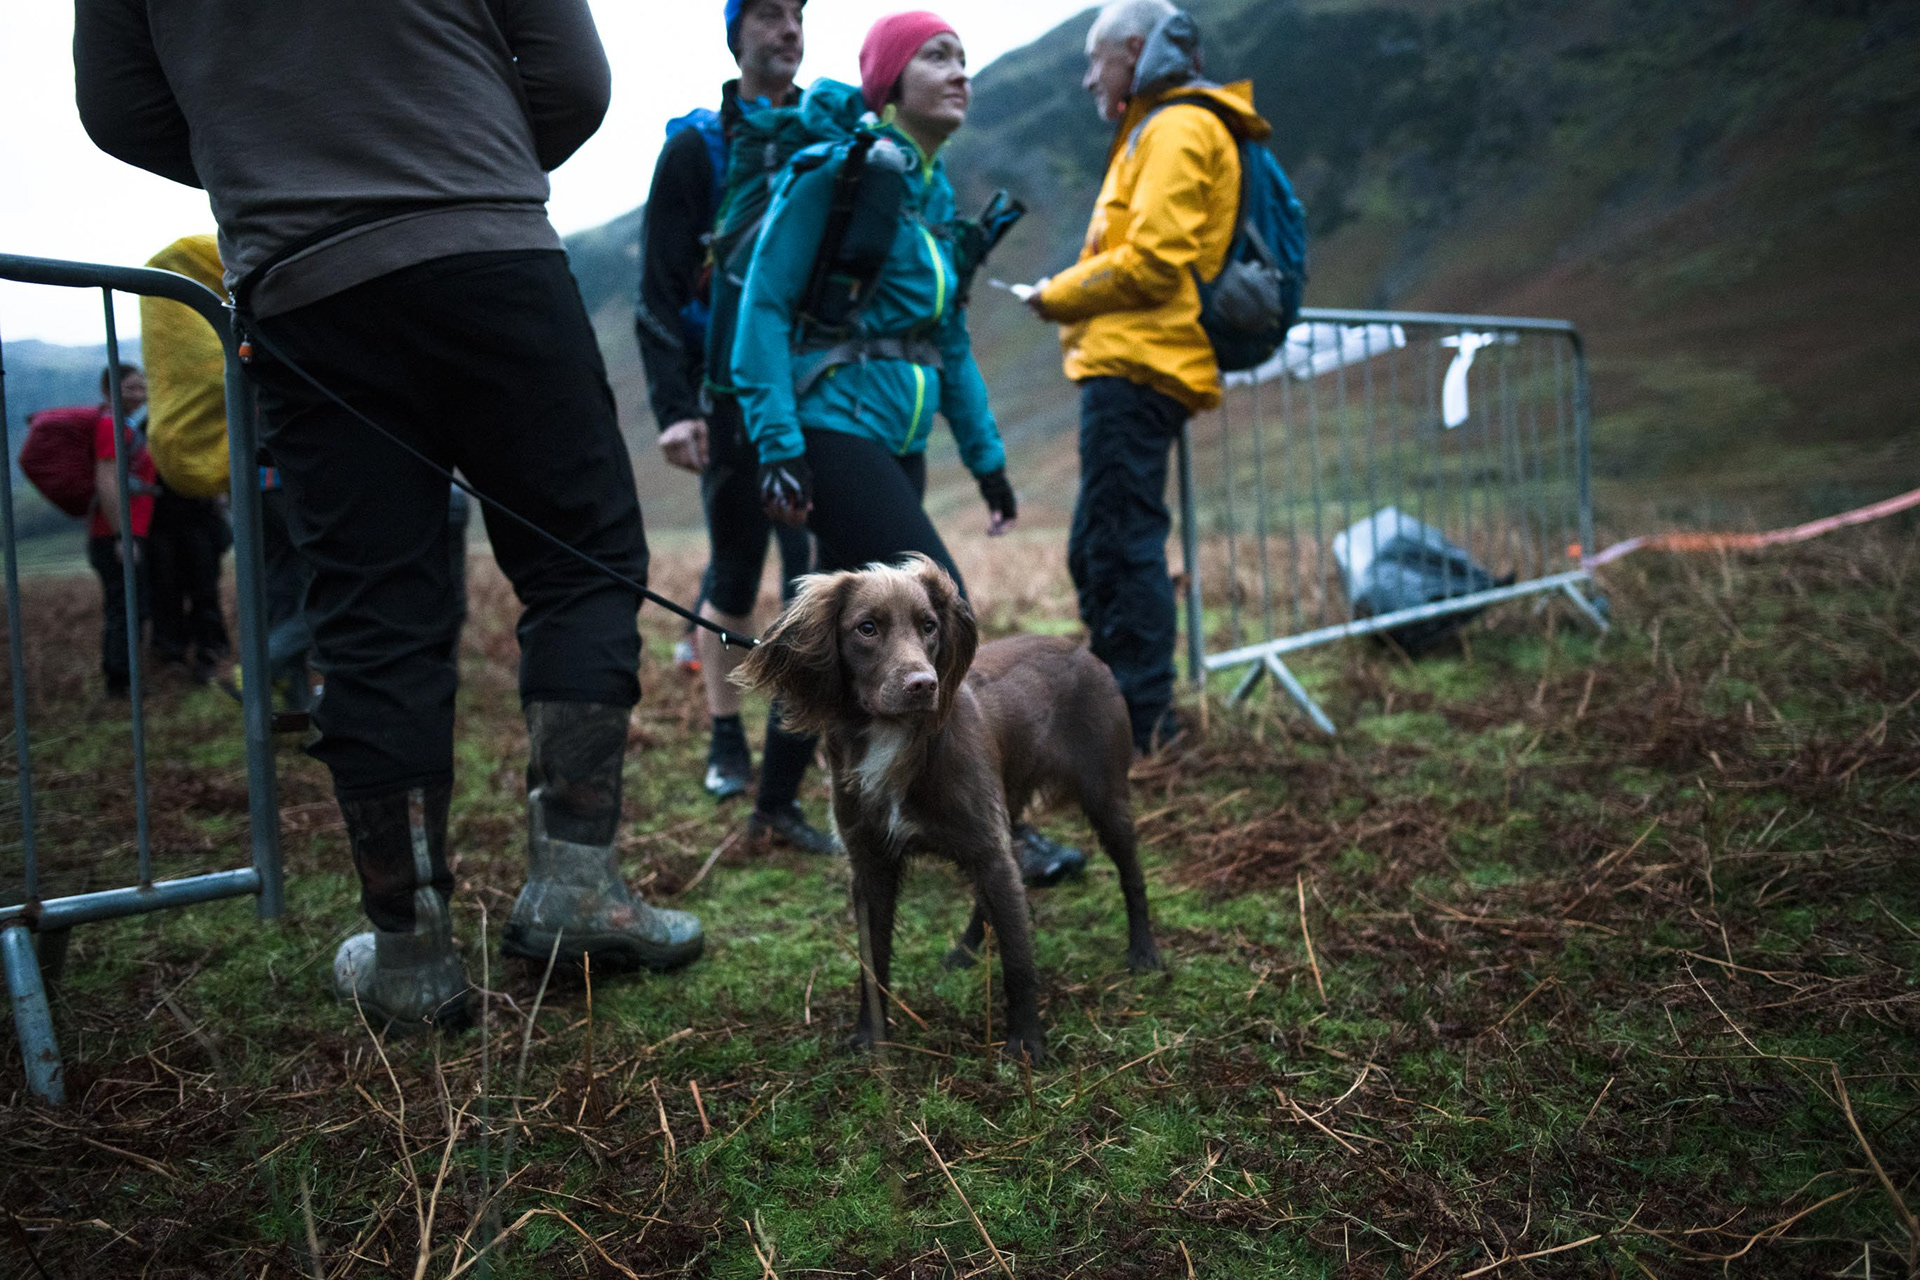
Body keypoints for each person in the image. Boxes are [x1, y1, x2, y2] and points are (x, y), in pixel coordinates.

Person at [76, 0, 703, 1034]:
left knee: (370, 617)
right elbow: (572, 79)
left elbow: (119, 109)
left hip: (305, 289)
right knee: (581, 565)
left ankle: (411, 953)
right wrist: (461, 163)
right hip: (491, 246)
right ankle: (577, 887)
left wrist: (276, 165)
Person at [734, 11, 1087, 887]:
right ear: (889, 82)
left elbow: (949, 345)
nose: (960, 71)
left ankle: (776, 807)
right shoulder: (838, 176)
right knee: (941, 612)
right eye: (936, 56)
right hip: (831, 430)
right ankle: (990, 823)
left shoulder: (930, 201)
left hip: (898, 441)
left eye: (964, 56)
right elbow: (763, 306)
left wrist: (988, 461)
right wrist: (778, 442)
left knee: (821, 635)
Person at [1022, 0, 1271, 755]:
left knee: (1121, 545)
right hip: (1131, 365)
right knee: (1103, 544)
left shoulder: (1176, 127)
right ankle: (1120, 710)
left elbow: (1155, 261)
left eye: (1094, 60)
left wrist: (1057, 293)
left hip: (1140, 366)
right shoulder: (1159, 128)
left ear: (1133, 51)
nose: (1087, 78)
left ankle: (1142, 725)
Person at [636, 0, 831, 854]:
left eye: (797, 15)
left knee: (812, 571)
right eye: (769, 14)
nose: (788, 29)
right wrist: (677, 410)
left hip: (816, 391)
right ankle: (725, 735)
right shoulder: (696, 148)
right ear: (735, 33)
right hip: (726, 398)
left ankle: (798, 748)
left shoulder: (828, 132)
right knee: (738, 568)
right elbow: (658, 287)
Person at [86, 364, 156, 699]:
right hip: (114, 535)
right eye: (130, 388)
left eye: (142, 387)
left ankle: (127, 679)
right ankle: (120, 683)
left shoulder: (125, 426)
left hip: (127, 532)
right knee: (125, 607)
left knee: (133, 605)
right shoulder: (110, 426)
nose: (138, 394)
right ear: (108, 391)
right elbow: (107, 481)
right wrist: (121, 536)